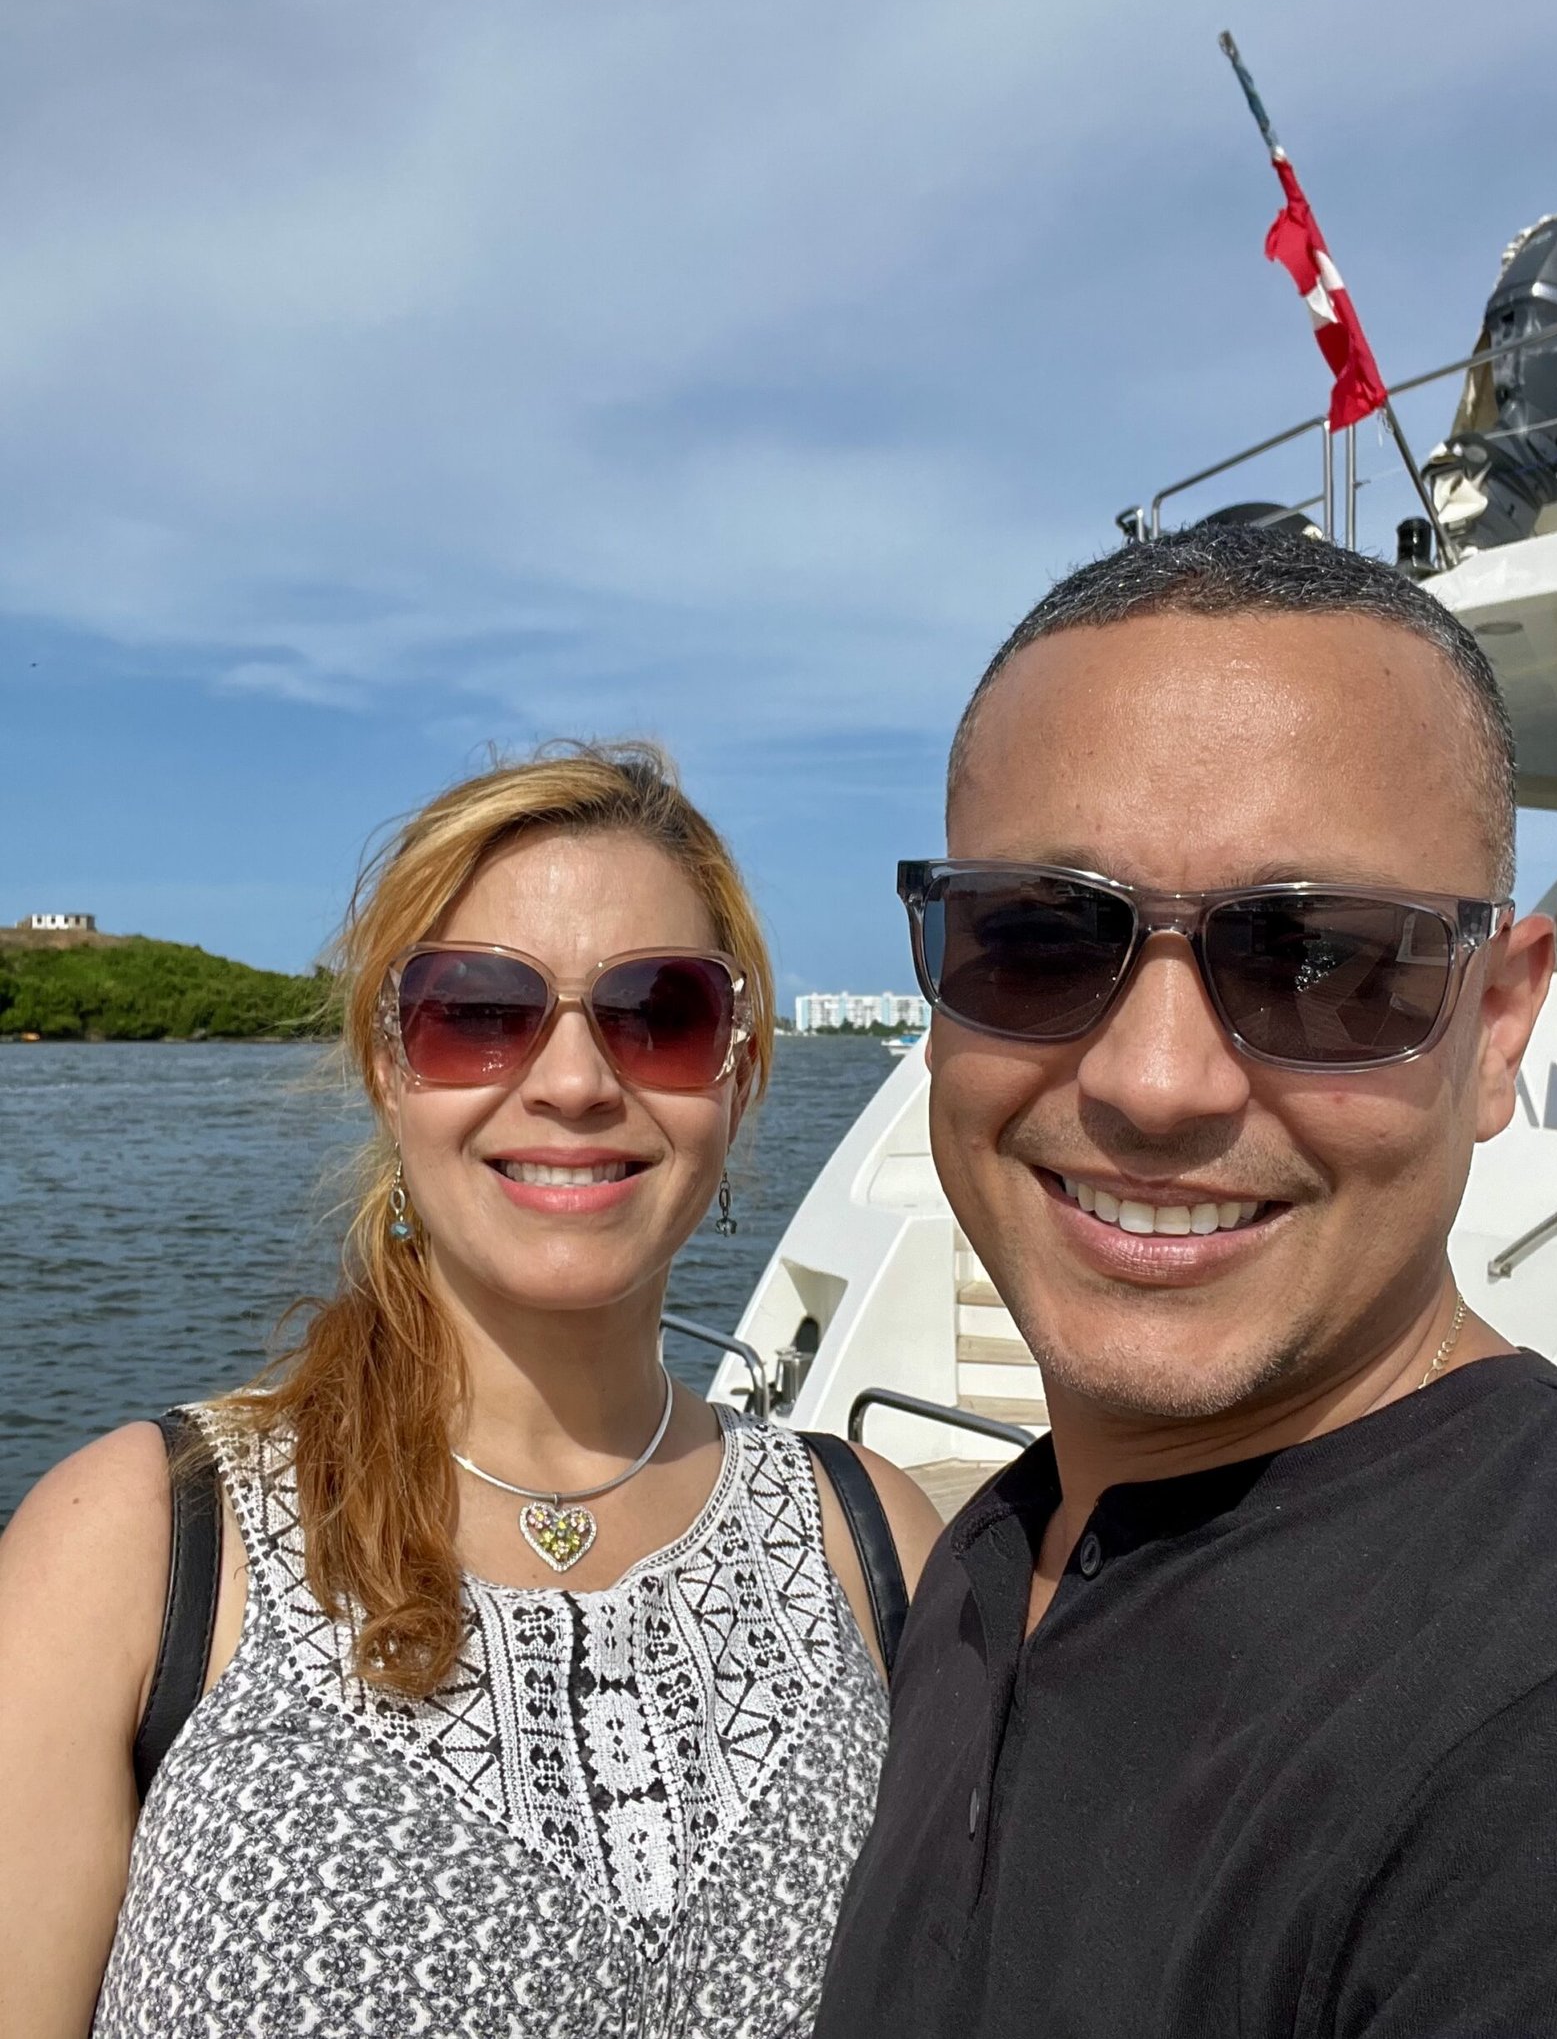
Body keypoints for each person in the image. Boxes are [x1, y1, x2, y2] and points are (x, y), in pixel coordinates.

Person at [0, 742, 940, 2039]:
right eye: (478, 1010)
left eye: (659, 1011)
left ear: (738, 1068)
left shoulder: (872, 1541)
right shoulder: (139, 1545)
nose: (570, 1079)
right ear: (390, 1064)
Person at [814, 523, 1557, 2039]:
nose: (1156, 1081)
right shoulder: (1004, 1554)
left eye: (1318, 958)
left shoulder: (1550, 1720)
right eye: (1037, 939)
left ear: (1499, 1024)